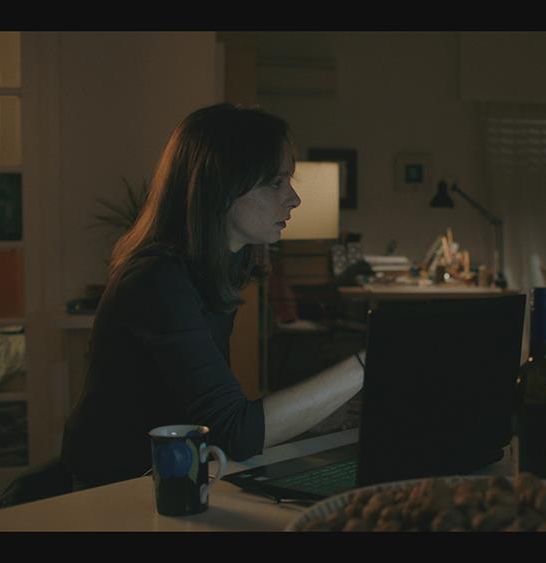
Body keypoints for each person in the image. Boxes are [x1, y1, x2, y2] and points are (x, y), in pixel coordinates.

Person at [59, 103, 364, 489]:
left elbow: (210, 411)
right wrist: (366, 363)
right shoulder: (157, 281)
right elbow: (234, 431)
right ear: (221, 187)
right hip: (114, 492)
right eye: (276, 183)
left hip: (170, 477)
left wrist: (313, 417)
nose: (294, 199)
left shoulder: (213, 272)